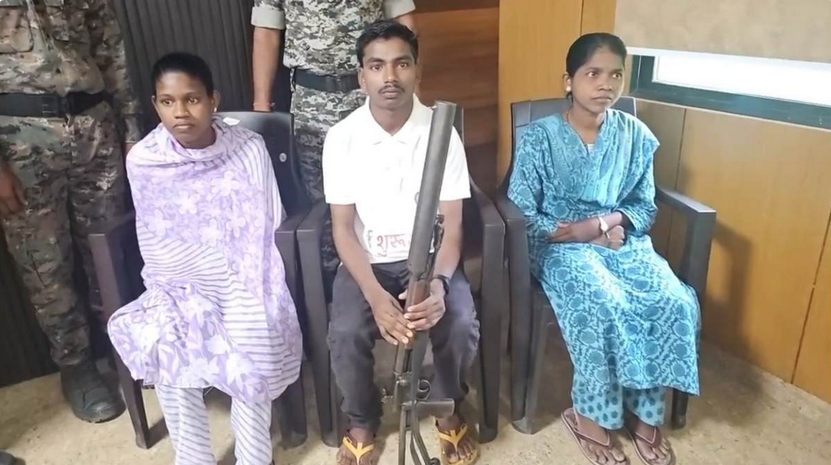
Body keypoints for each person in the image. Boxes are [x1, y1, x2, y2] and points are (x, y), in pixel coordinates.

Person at [507, 33, 699, 465]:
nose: (605, 84)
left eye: (615, 74)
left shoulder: (635, 135)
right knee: (603, 302)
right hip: (558, 244)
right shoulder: (539, 138)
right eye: (592, 73)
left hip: (620, 240)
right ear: (569, 81)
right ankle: (590, 414)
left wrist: (605, 225)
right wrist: (582, 234)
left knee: (671, 299)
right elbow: (522, 213)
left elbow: (643, 206)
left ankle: (645, 412)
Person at [107, 52, 303, 465]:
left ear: (213, 100)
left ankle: (254, 455)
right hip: (176, 284)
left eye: (192, 99)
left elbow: (265, 223)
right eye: (167, 101)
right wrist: (184, 291)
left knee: (253, 333)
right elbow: (155, 237)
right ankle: (193, 457)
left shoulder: (247, 148)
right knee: (169, 336)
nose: (180, 112)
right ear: (155, 104)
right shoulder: (145, 160)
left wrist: (243, 288)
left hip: (244, 276)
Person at [323, 21, 480, 465]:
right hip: (367, 263)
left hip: (430, 260)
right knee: (346, 332)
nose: (389, 77)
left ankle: (447, 407)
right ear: (362, 77)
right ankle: (361, 419)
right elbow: (342, 229)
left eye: (401, 64)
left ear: (417, 71)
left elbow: (453, 225)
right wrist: (375, 296)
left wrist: (440, 285)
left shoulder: (442, 131)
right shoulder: (342, 137)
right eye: (377, 66)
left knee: (460, 321)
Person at [0, 0, 142, 423]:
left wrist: (132, 132)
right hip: (18, 139)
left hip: (94, 126)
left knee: (109, 252)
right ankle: (76, 366)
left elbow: (111, 50)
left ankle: (122, 349)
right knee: (44, 264)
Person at [250, 0, 417, 273]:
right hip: (311, 102)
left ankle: (390, 271)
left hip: (372, 93)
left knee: (385, 186)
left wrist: (412, 95)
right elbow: (267, 30)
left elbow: (404, 22)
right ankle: (334, 280)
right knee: (320, 201)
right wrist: (262, 108)